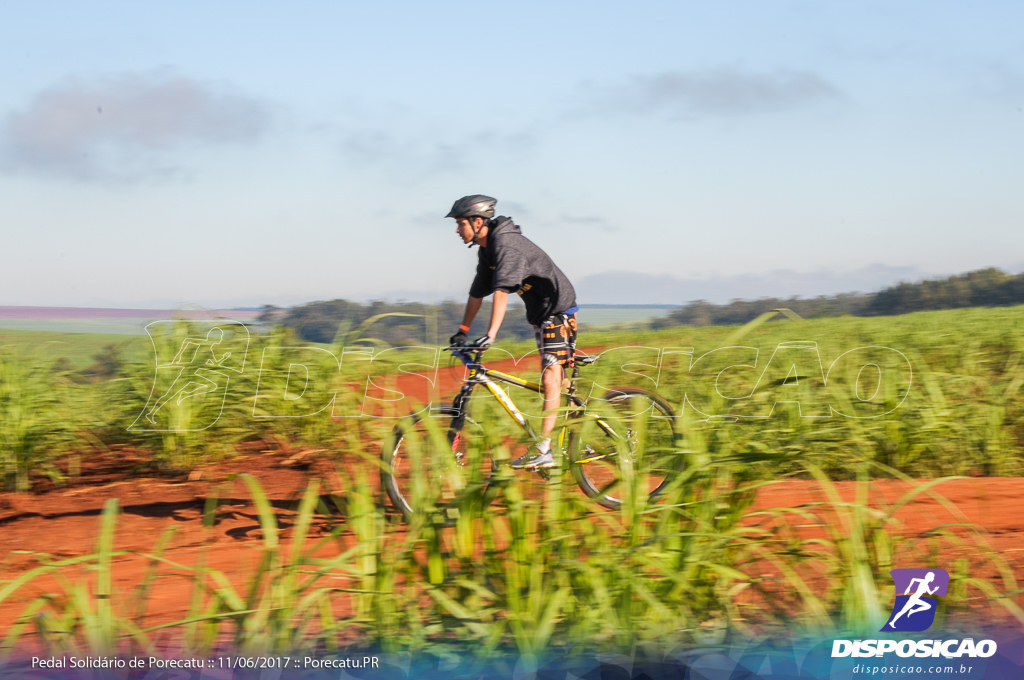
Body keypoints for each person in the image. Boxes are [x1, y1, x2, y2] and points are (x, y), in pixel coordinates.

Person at [446, 194, 578, 469]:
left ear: (478, 221)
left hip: (557, 309)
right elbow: (476, 294)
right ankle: (578, 434)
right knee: (557, 385)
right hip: (539, 315)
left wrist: (491, 334)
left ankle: (544, 451)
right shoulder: (487, 250)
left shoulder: (506, 245)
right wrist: (463, 330)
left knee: (552, 376)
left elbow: (501, 293)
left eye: (460, 224)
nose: (457, 230)